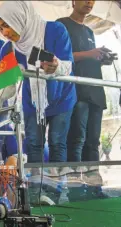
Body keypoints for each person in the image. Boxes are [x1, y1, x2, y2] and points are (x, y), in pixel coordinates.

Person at [0, 1, 76, 164]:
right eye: (0, 28)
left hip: (62, 97)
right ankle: (35, 187)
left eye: (6, 25)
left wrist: (56, 66)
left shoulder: (55, 30)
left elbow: (69, 65)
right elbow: (2, 86)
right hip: (32, 101)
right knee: (33, 144)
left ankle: (56, 189)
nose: (4, 32)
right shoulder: (8, 49)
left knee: (57, 143)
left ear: (20, 17)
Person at [57, 0, 112, 201]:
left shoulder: (90, 32)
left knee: (93, 142)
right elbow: (60, 58)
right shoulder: (61, 25)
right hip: (76, 92)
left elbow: (90, 57)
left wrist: (102, 57)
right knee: (76, 140)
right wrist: (91, 53)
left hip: (96, 91)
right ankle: (75, 189)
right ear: (73, 1)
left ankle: (95, 187)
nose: (89, 2)